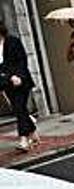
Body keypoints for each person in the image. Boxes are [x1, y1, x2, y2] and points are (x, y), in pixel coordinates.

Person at [0, 21, 38, 151]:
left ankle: (23, 139)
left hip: (21, 82)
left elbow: (22, 60)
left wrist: (19, 76)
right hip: (6, 83)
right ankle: (32, 130)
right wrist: (6, 77)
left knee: (19, 108)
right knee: (19, 109)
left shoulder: (13, 41)